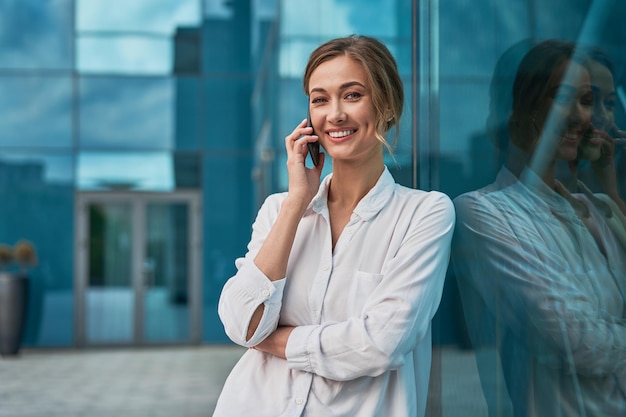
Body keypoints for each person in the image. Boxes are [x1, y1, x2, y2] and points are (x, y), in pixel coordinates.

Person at [213, 35, 455, 417]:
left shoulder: (424, 214)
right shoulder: (279, 208)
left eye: (353, 95)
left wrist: (273, 341)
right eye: (320, 99)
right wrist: (297, 202)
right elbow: (240, 321)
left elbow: (381, 343)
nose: (335, 114)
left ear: (387, 106)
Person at [452, 39, 626, 417]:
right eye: (564, 98)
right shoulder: (483, 212)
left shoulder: (593, 211)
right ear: (522, 106)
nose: (584, 117)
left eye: (586, 101)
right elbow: (578, 341)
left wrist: (608, 185)